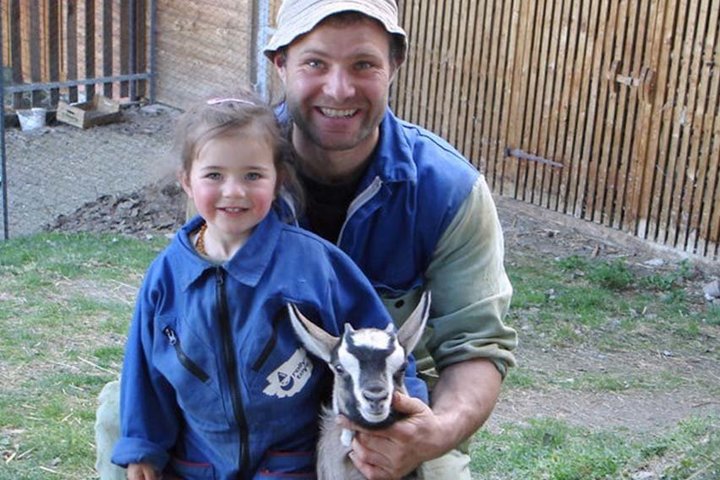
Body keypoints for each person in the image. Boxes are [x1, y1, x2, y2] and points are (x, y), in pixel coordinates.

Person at [109, 90, 428, 479]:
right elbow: (145, 372)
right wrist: (143, 447)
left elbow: (381, 342)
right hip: (197, 464)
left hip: (291, 465)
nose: (234, 191)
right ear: (187, 181)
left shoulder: (313, 265)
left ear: (278, 180)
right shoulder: (166, 277)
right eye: (214, 175)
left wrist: (405, 407)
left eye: (253, 175)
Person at [263, 0, 518, 478]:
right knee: (122, 418)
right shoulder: (235, 175)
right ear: (281, 64)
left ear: (394, 66)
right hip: (262, 396)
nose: (339, 89)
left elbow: (476, 346)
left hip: (390, 407)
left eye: (364, 64)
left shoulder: (448, 190)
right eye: (315, 63)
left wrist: (433, 433)